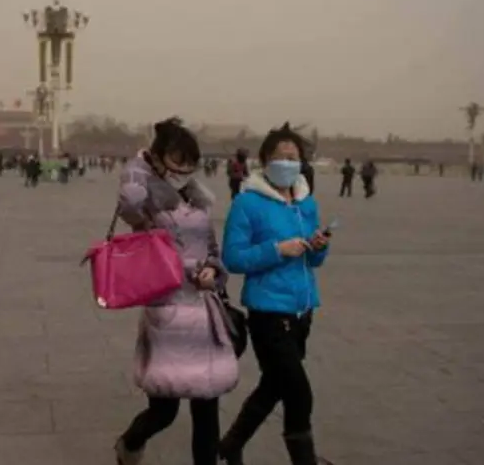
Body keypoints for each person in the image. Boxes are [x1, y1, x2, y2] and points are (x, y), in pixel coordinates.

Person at [114, 117, 238, 465]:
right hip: (167, 310)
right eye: (176, 159)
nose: (183, 168)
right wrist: (140, 166)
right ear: (157, 158)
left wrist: (213, 270)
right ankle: (130, 442)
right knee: (164, 410)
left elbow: (212, 250)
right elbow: (128, 208)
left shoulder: (198, 201)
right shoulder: (147, 202)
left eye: (189, 161)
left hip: (202, 311)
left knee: (207, 406)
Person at [219, 123, 331, 465]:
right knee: (298, 391)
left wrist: (318, 246)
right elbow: (233, 258)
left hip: (302, 312)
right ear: (265, 160)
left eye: (294, 157)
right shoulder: (247, 203)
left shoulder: (305, 202)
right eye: (281, 157)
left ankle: (230, 445)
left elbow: (314, 260)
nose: (288, 163)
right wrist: (277, 249)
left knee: (274, 386)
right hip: (269, 314)